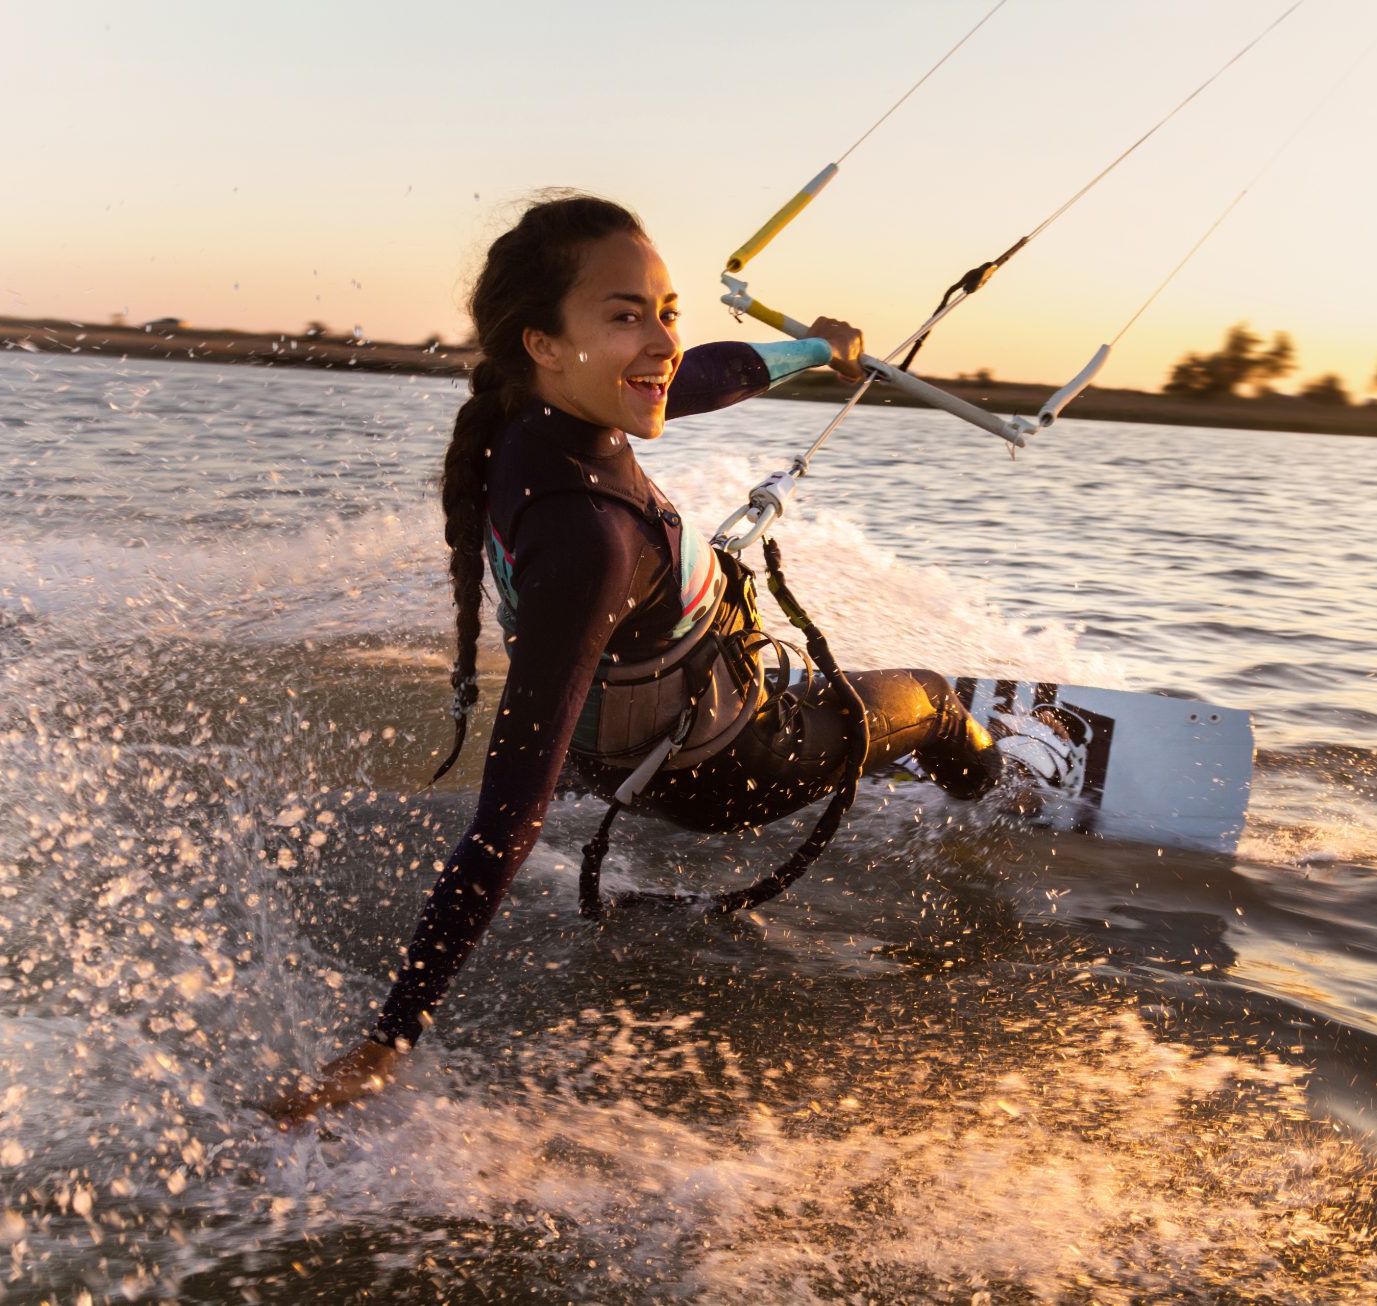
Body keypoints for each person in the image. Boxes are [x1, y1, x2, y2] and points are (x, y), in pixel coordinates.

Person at [262, 193, 1002, 1124]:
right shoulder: (591, 540)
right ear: (543, 340)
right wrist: (386, 1043)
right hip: (723, 773)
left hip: (620, 752)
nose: (660, 342)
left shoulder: (524, 419)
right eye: (626, 315)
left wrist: (814, 350)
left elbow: (702, 377)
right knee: (932, 699)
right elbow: (505, 816)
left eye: (668, 312)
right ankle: (995, 793)